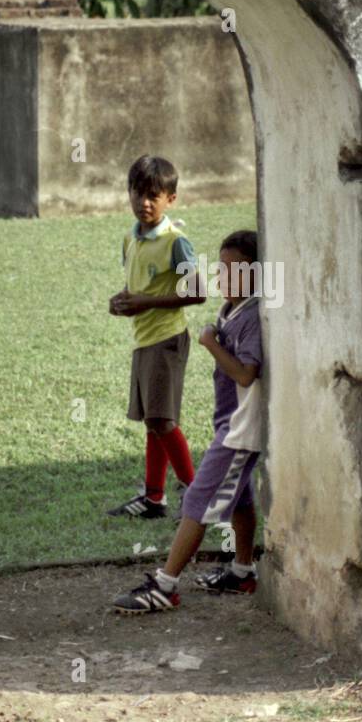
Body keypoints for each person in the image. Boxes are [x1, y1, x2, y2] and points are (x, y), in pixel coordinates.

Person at [113, 230, 264, 613]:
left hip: (240, 431)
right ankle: (243, 571)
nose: (222, 277)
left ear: (256, 274)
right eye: (222, 268)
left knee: (197, 497)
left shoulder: (251, 318)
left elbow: (247, 375)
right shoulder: (233, 308)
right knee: (240, 497)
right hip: (229, 424)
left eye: (234, 270)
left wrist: (211, 344)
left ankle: (165, 586)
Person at [106, 155, 205, 519]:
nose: (144, 203)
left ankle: (197, 496)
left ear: (170, 200)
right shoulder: (129, 240)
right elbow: (135, 286)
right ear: (128, 194)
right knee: (153, 421)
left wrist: (145, 302)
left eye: (154, 196)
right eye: (138, 193)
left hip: (167, 340)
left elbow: (197, 293)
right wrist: (121, 301)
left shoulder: (176, 242)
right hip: (144, 340)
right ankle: (153, 498)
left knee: (163, 421)